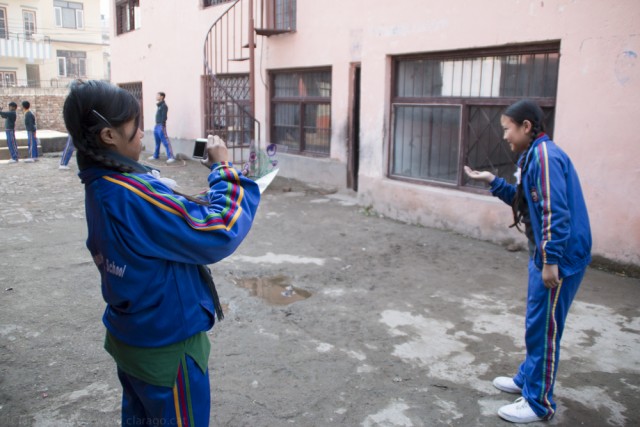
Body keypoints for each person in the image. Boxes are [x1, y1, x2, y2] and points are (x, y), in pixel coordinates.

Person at [62, 80, 260, 426]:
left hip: (134, 335)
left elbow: (164, 220)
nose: (142, 133)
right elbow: (220, 230)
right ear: (109, 136)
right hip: (166, 346)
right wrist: (224, 172)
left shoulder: (102, 184)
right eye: (134, 125)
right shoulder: (130, 194)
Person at [464, 99, 591, 424]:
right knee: (537, 324)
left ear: (526, 127)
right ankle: (527, 379)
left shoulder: (546, 157)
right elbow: (523, 202)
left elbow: (555, 213)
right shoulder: (533, 155)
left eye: (507, 128)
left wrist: (550, 261)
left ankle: (538, 403)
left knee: (545, 329)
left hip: (558, 258)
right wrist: (492, 181)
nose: (504, 135)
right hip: (547, 254)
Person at [149, 91, 176, 164]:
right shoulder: (159, 105)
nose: (156, 96)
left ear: (162, 97)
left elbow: (164, 117)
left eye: (157, 95)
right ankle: (156, 155)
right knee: (157, 142)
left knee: (165, 142)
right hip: (157, 125)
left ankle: (171, 157)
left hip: (161, 126)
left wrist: (162, 125)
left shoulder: (164, 106)